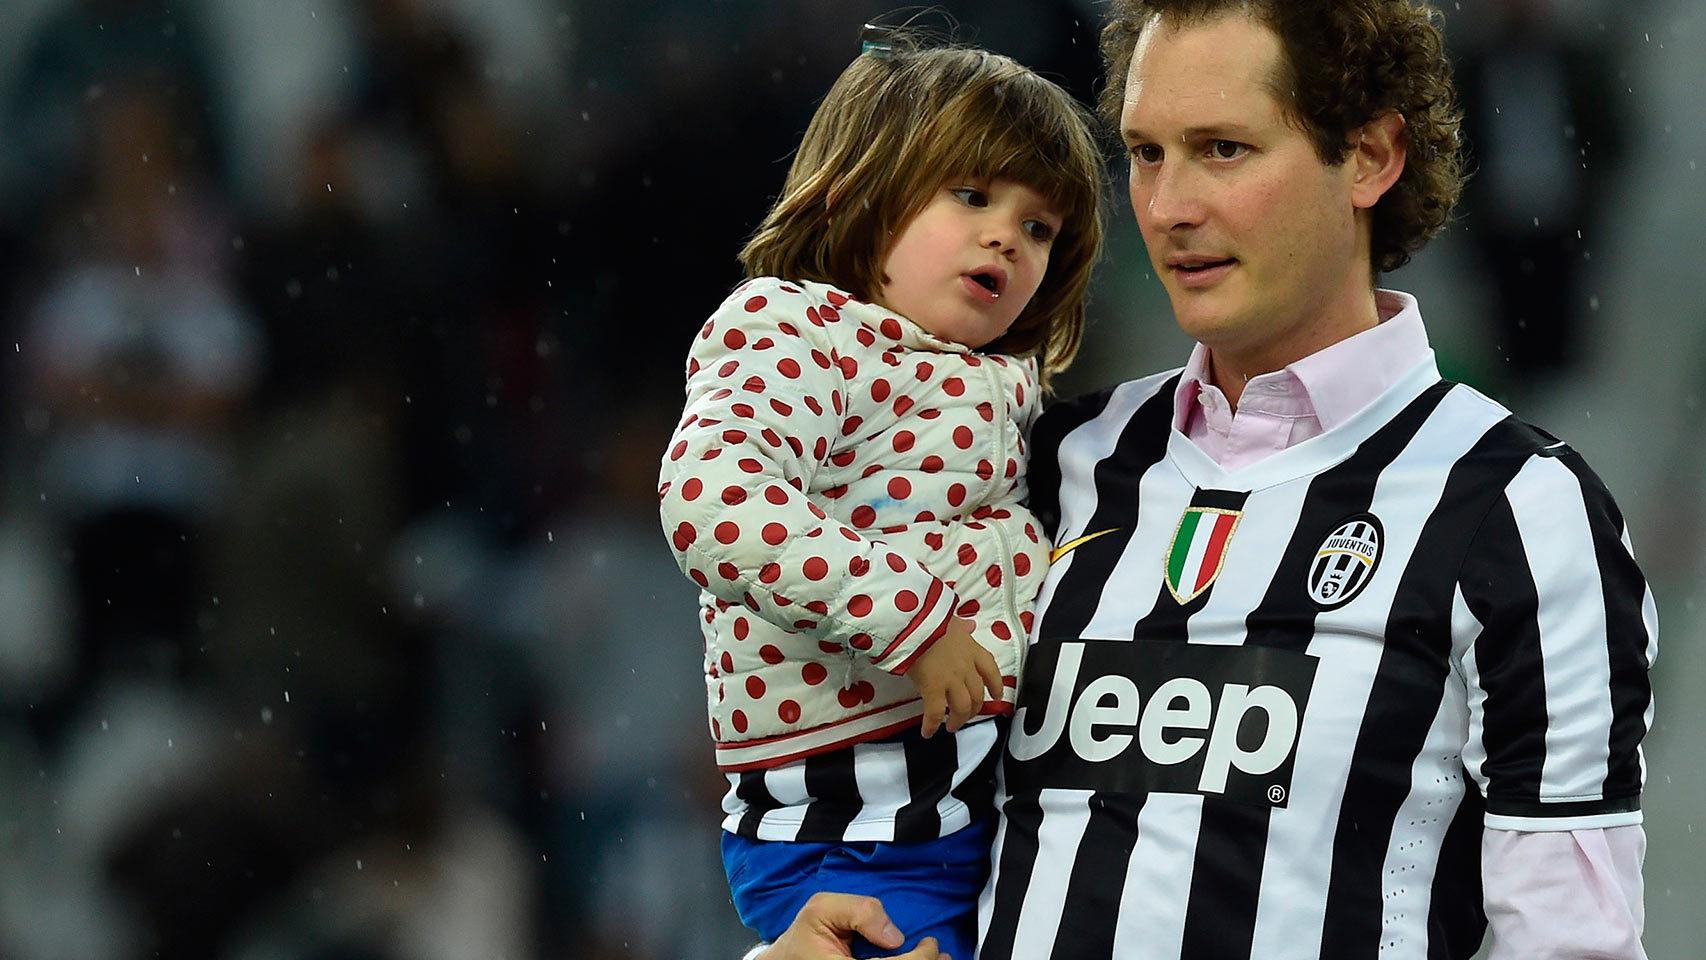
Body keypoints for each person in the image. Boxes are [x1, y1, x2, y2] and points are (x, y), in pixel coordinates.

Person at [765, 2, 1656, 959]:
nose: (1169, 206)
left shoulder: (1520, 508)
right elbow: (864, 797)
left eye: (1222, 149)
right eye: (1146, 153)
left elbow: (1569, 943)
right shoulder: (1037, 461)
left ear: (1369, 156)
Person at [657, 30, 1104, 960]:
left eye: (1038, 227)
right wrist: (918, 624)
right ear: (861, 189)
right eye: (974, 196)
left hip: (965, 816)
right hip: (849, 833)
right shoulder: (795, 329)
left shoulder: (1005, 385)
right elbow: (713, 497)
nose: (1005, 238)